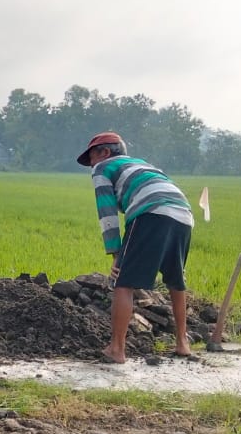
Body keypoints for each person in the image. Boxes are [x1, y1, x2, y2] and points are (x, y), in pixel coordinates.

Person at [76, 132, 195, 364]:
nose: (90, 163)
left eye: (91, 157)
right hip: (183, 214)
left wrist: (116, 254)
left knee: (123, 281)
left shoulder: (102, 168)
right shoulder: (142, 164)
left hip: (149, 212)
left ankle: (116, 349)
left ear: (105, 153)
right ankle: (182, 343)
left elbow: (107, 212)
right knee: (175, 279)